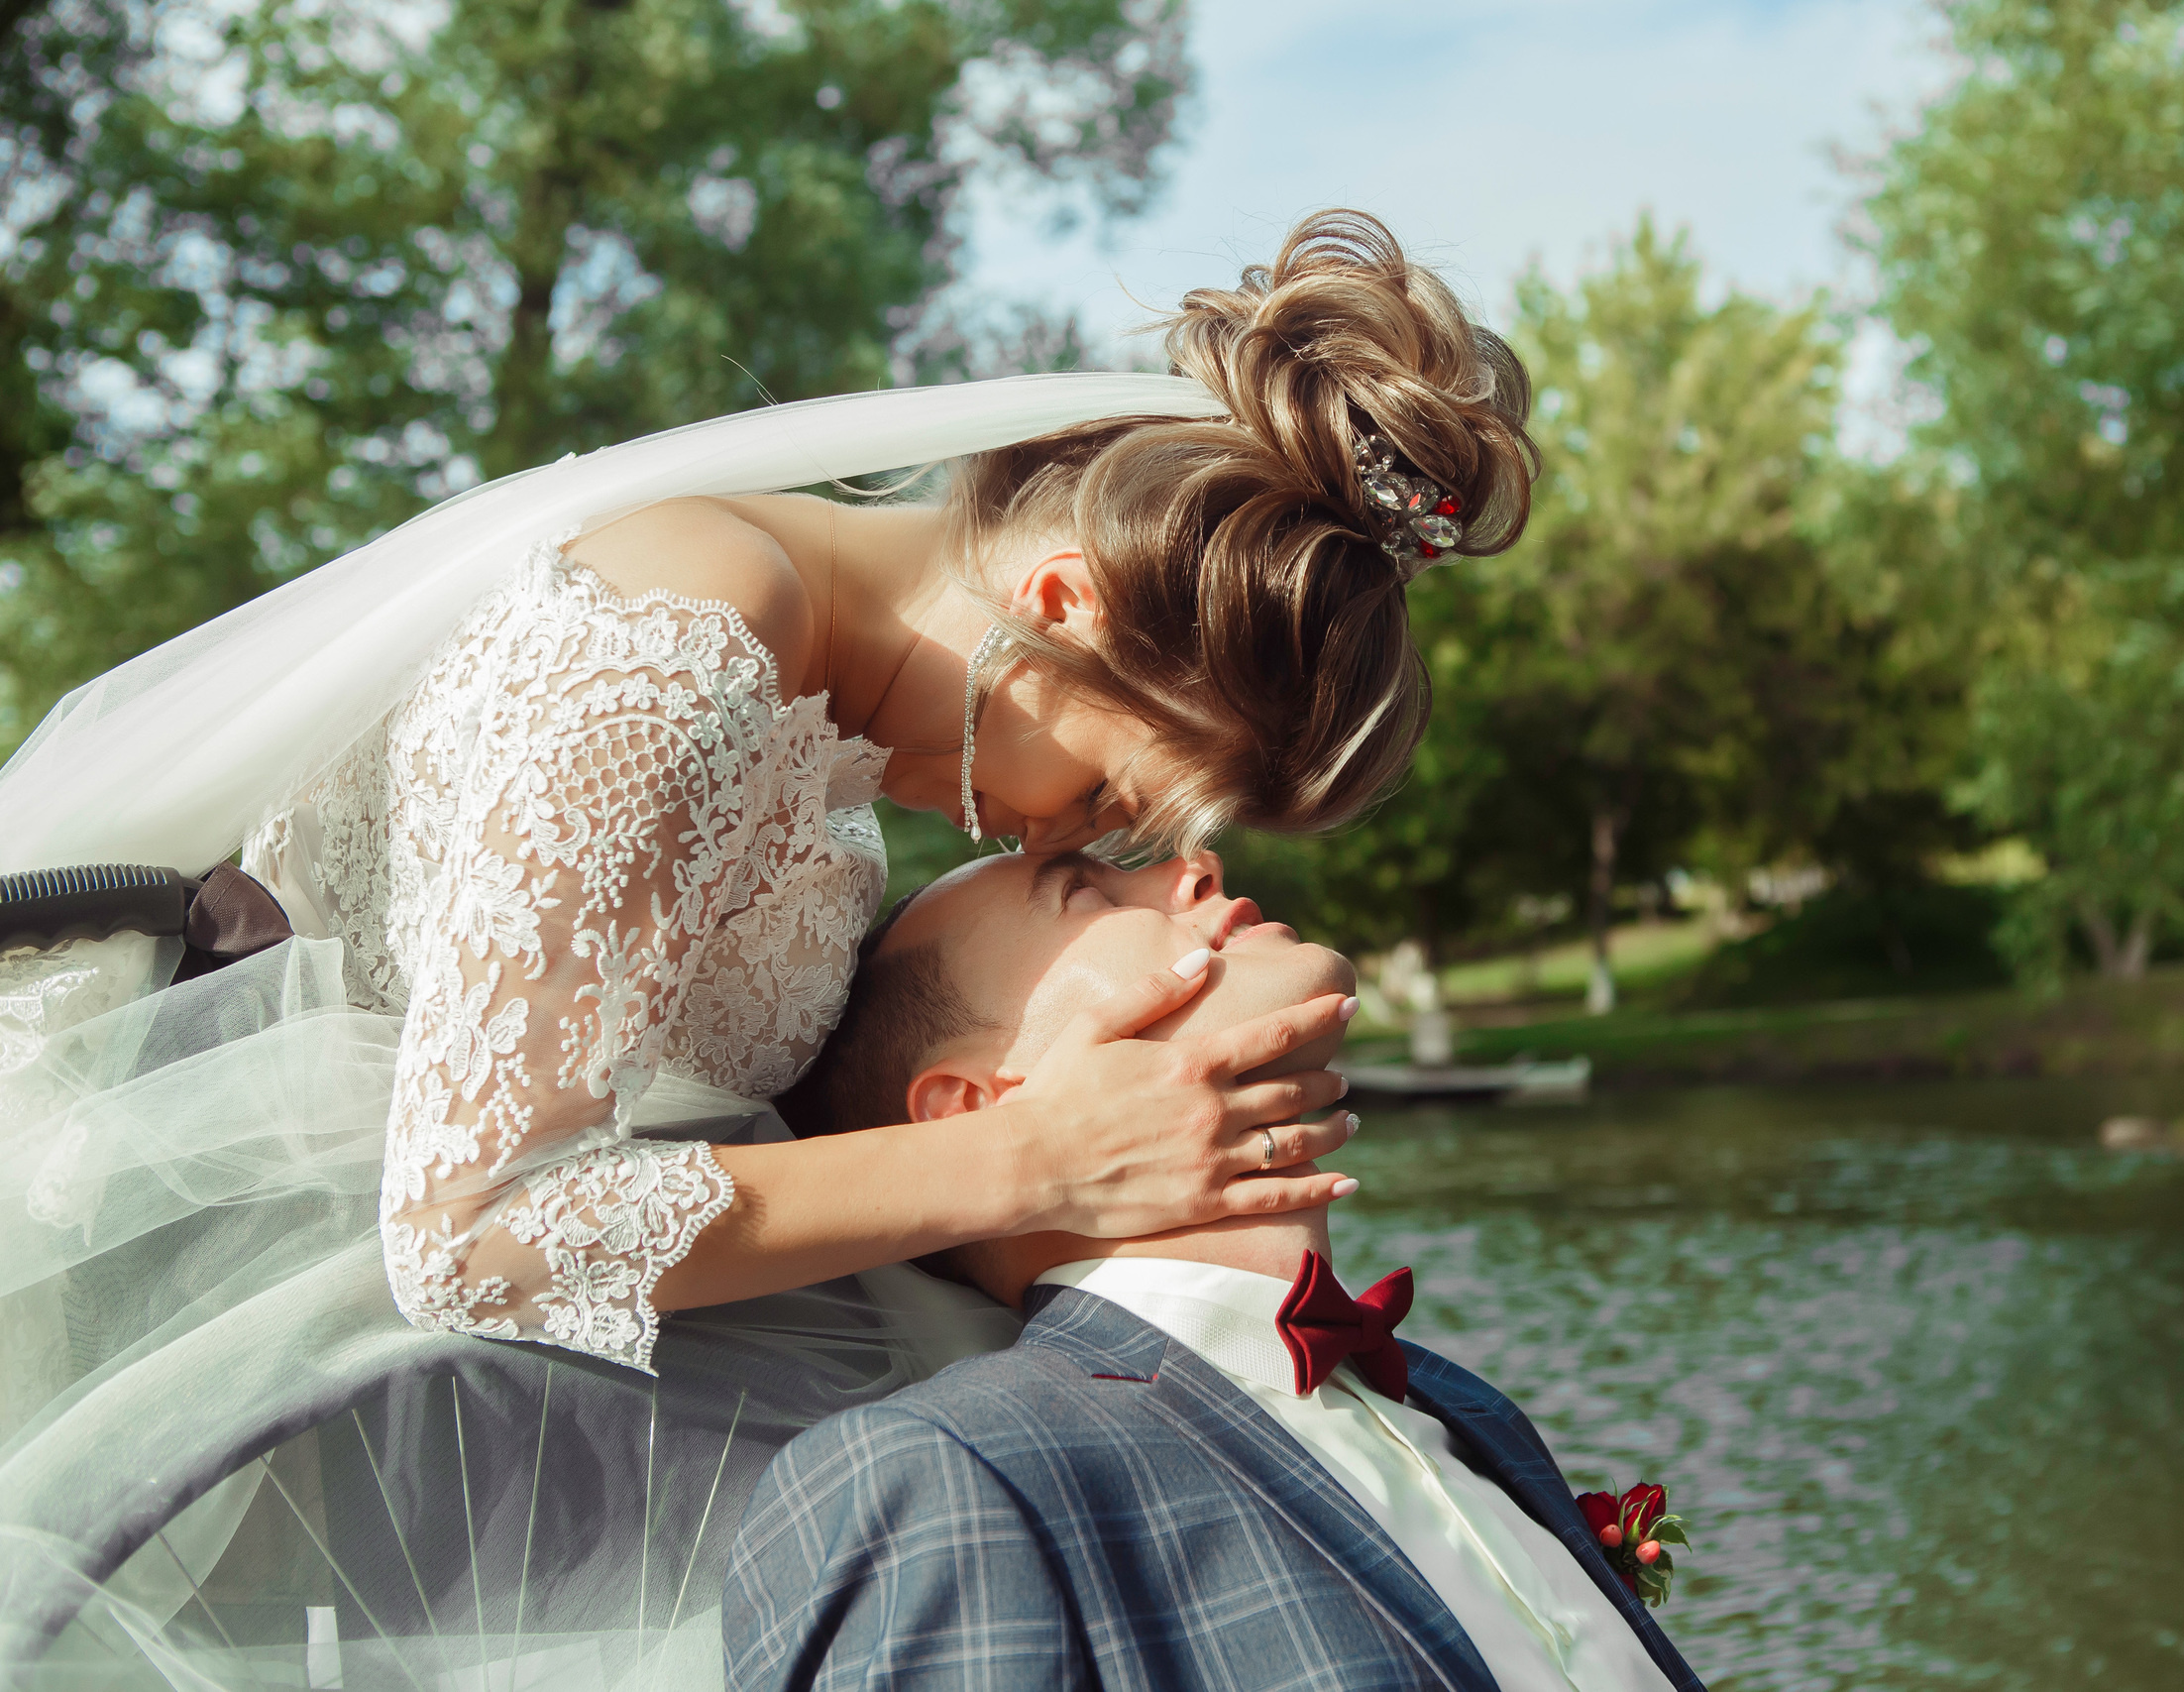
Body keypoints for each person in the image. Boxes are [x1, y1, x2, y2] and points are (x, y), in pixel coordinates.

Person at [0, 210, 1534, 1676]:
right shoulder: (683, 642)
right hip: (283, 1369)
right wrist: (1042, 1162)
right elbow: (474, 1230)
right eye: (1121, 789)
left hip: (509, 1422)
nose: (1073, 840)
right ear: (1064, 600)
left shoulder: (809, 722)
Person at [723, 848, 1705, 1692]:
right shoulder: (945, 1478)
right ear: (980, 1107)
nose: (1196, 862)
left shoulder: (1459, 1404)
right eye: (1087, 894)